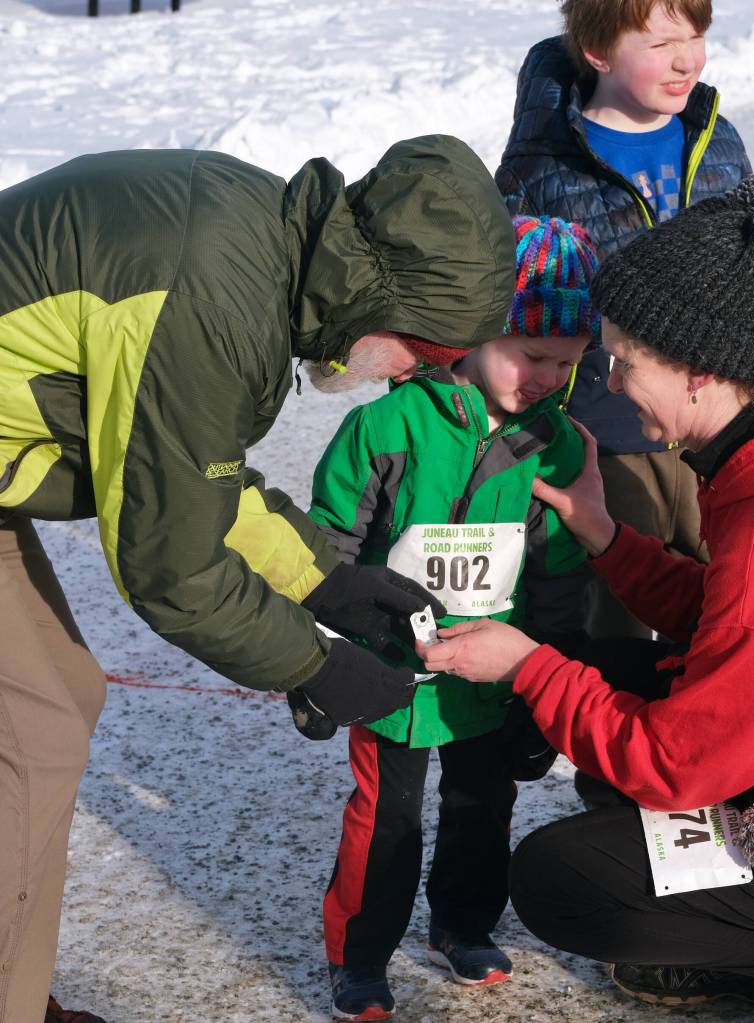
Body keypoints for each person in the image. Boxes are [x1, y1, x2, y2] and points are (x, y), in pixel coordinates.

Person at [0, 135, 515, 1023]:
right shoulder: (211, 297)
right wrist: (311, 666)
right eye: (423, 354)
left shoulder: (261, 236)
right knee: (34, 729)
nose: (406, 377)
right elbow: (173, 566)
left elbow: (193, 477)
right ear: (381, 296)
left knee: (51, 705)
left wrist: (328, 582)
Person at [417, 176, 754, 1023]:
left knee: (567, 880)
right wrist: (604, 532)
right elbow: (738, 624)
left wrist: (527, 668)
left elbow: (681, 762)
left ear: (700, 369)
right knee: (600, 672)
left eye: (623, 361)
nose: (609, 383)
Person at [307, 215, 597, 1021]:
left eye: (566, 365)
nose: (546, 376)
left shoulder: (555, 446)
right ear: (474, 331)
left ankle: (462, 923)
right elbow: (327, 545)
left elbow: (557, 570)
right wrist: (323, 655)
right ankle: (359, 952)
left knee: (482, 801)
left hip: (493, 668)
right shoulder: (386, 425)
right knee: (384, 814)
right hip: (391, 667)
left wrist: (553, 663)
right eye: (532, 354)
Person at [495, 0, 754, 640]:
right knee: (618, 602)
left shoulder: (716, 136)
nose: (688, 59)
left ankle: (719, 725)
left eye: (697, 35)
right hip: (610, 427)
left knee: (732, 597)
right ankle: (616, 728)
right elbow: (507, 300)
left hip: (723, 421)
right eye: (661, 43)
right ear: (599, 53)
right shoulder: (541, 166)